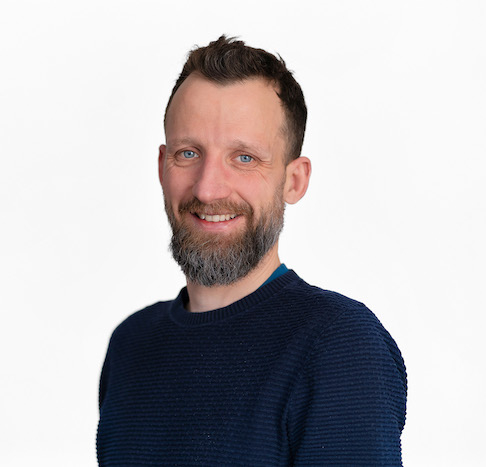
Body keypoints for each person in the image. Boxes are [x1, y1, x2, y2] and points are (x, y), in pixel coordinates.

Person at [97, 36, 407, 466]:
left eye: (244, 158)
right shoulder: (131, 345)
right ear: (162, 167)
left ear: (294, 181)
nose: (208, 189)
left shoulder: (338, 345)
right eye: (189, 153)